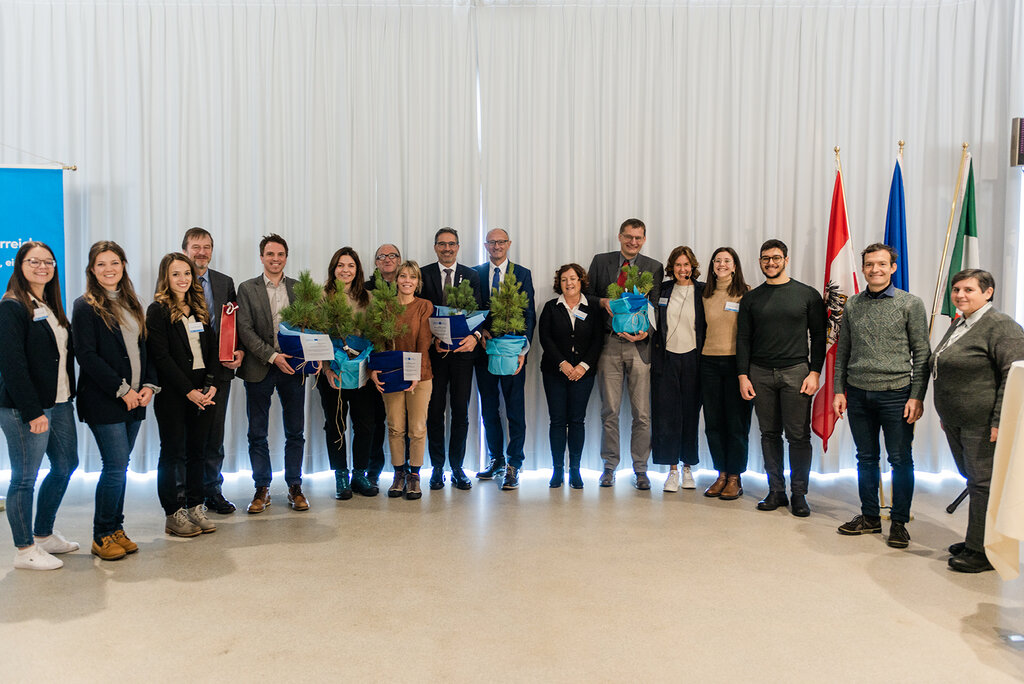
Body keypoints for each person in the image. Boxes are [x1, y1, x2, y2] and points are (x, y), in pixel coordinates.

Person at [833, 243, 930, 548]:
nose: (875, 269)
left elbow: (922, 353)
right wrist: (838, 390)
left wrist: (917, 396)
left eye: (881, 264)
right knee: (866, 458)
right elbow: (843, 352)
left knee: (900, 459)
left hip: (896, 395)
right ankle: (870, 517)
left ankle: (899, 521)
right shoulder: (852, 305)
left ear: (893, 268)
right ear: (863, 268)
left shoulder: (910, 304)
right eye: (869, 264)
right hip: (859, 394)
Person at [930, 269, 1024, 573]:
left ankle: (981, 552)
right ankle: (979, 539)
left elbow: (1013, 376)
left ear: (988, 292)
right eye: (956, 289)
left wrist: (1000, 420)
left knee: (982, 483)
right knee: (974, 480)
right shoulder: (961, 322)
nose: (960, 295)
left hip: (983, 422)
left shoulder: (1001, 325)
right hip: (957, 418)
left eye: (968, 289)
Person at [73, 241, 159, 561]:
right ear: (92, 270)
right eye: (101, 264)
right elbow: (87, 356)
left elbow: (145, 349)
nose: (109, 269)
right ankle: (101, 535)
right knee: (114, 466)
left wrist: (149, 385)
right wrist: (124, 391)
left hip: (137, 399)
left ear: (123, 265)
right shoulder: (85, 306)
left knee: (120, 467)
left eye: (115, 263)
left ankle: (116, 529)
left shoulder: (132, 302)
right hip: (106, 400)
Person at [0, 242, 79, 570]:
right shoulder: (11, 306)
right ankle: (24, 550)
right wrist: (32, 411)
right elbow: (12, 364)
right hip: (25, 407)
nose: (42, 267)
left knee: (65, 464)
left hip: (59, 401)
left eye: (48, 262)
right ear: (20, 265)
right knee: (24, 477)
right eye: (34, 262)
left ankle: (43, 534)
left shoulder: (49, 303)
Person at [737, 239, 826, 517]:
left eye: (776, 258)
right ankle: (776, 490)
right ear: (760, 261)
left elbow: (820, 336)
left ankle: (799, 494)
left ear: (786, 259)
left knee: (798, 436)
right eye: (765, 258)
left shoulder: (807, 295)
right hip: (760, 373)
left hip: (797, 373)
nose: (770, 263)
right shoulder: (751, 298)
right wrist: (743, 375)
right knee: (769, 434)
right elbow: (743, 339)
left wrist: (815, 372)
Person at [586, 218, 664, 489]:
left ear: (644, 240)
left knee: (642, 413)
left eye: (638, 238)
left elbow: (654, 306)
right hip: (609, 343)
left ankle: (640, 468)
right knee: (610, 411)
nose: (633, 242)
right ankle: (609, 466)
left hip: (639, 347)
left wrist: (647, 333)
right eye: (628, 237)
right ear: (620, 237)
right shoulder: (601, 261)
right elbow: (588, 295)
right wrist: (603, 301)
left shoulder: (654, 267)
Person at [146, 253, 219, 537]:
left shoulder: (199, 308)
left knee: (197, 452)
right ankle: (173, 512)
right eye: (176, 274)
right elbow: (161, 357)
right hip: (175, 394)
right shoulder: (158, 310)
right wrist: (188, 391)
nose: (183, 279)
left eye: (187, 273)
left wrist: (211, 384)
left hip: (204, 391)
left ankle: (195, 506)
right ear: (166, 277)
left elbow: (212, 351)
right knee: (173, 453)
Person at [236, 234, 308, 513]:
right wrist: (272, 355)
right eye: (270, 254)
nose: (275, 259)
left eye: (280, 254)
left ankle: (295, 486)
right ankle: (261, 488)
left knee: (296, 431)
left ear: (286, 257)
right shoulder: (247, 288)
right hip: (259, 367)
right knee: (257, 431)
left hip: (293, 368)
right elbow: (245, 330)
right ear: (262, 257)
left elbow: (309, 326)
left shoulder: (299, 288)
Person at [182, 226, 244, 514]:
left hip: (219, 370)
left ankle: (212, 491)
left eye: (206, 247)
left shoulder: (223, 282)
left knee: (214, 434)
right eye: (196, 246)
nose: (201, 252)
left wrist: (239, 350)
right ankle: (183, 493)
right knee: (186, 434)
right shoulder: (176, 279)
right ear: (185, 250)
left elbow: (234, 322)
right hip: (186, 372)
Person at [316, 247, 383, 499]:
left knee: (365, 424)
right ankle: (341, 476)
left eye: (351, 266)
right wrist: (325, 369)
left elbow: (377, 336)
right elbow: (316, 336)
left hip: (362, 373)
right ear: (333, 269)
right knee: (335, 424)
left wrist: (371, 368)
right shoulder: (322, 297)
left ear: (358, 270)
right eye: (341, 265)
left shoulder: (369, 298)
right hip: (333, 373)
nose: (345, 270)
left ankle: (360, 475)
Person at [473, 228, 536, 490]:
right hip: (484, 351)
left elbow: (529, 313)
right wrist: (480, 331)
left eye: (501, 242)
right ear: (486, 245)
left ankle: (514, 464)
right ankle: (496, 459)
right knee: (488, 409)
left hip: (513, 353)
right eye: (492, 242)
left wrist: (524, 350)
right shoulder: (474, 273)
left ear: (509, 244)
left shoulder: (522, 274)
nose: (496, 246)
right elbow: (471, 310)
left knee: (514, 410)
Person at [420, 228, 483, 490]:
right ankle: (436, 467)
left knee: (460, 411)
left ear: (458, 246)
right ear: (435, 247)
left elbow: (480, 311)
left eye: (451, 244)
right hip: (434, 354)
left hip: (462, 355)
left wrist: (476, 337)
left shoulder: (471, 275)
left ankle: (457, 466)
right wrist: (430, 338)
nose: (447, 248)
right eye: (442, 244)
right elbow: (418, 311)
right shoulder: (423, 274)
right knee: (434, 411)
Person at [372, 260, 434, 500]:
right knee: (395, 427)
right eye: (403, 276)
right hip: (391, 375)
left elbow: (423, 341)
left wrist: (415, 374)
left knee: (417, 428)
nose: (408, 281)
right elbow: (377, 340)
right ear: (395, 279)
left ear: (418, 282)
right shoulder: (385, 306)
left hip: (421, 376)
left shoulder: (424, 306)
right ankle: (399, 473)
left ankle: (414, 476)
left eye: (413, 277)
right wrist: (374, 369)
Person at [538, 264, 604, 489]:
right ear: (559, 283)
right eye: (564, 279)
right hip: (555, 372)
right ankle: (557, 470)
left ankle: (574, 470)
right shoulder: (550, 307)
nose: (569, 283)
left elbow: (598, 340)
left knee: (577, 421)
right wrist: (563, 364)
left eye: (573, 278)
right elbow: (545, 338)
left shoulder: (592, 308)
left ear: (581, 281)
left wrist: (583, 366)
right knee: (557, 421)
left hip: (583, 374)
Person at [651, 246, 706, 492]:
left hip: (694, 359)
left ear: (692, 267)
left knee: (690, 415)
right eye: (677, 265)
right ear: (671, 268)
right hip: (666, 359)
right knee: (666, 416)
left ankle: (688, 467)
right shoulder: (662, 290)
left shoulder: (704, 291)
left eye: (686, 265)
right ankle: (671, 470)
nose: (682, 269)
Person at [699, 247, 752, 500]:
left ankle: (735, 477)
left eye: (726, 260)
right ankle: (720, 474)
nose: (721, 264)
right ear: (712, 265)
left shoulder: (746, 293)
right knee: (713, 423)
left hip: (736, 366)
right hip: (708, 363)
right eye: (717, 260)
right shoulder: (705, 294)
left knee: (736, 423)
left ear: (734, 265)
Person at [363, 243, 403, 485]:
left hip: (400, 361)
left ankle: (405, 470)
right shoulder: (365, 290)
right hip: (374, 361)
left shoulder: (408, 286)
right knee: (374, 419)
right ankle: (373, 470)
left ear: (399, 260)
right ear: (376, 263)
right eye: (381, 256)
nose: (387, 259)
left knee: (402, 419)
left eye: (392, 255)